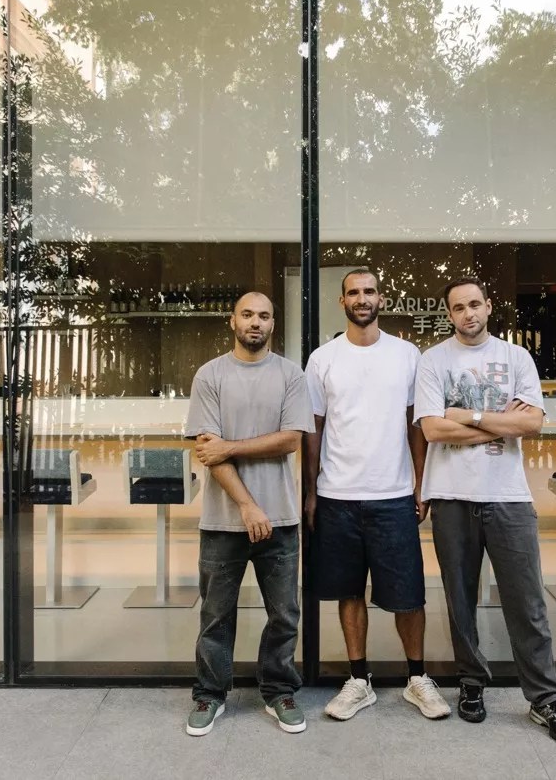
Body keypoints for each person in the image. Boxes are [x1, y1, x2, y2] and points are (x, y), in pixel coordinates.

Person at [412, 277, 556, 746]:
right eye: (458, 307)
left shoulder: (516, 357)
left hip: (508, 497)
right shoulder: (433, 360)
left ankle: (544, 697)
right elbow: (433, 430)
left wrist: (469, 416)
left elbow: (532, 423)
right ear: (449, 314)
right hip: (451, 496)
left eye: (474, 304)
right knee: (460, 600)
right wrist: (502, 425)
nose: (468, 313)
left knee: (526, 603)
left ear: (488, 307)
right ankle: (471, 682)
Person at [303, 269, 450, 721]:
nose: (362, 299)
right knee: (349, 592)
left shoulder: (407, 355)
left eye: (369, 292)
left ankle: (417, 678)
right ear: (342, 301)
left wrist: (421, 483)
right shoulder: (322, 359)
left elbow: (416, 425)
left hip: (394, 494)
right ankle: (358, 680)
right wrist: (310, 492)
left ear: (381, 299)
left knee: (409, 594)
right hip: (337, 495)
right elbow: (313, 430)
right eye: (353, 292)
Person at [183, 291, 315, 737]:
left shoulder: (290, 375)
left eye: (263, 316)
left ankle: (278, 691)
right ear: (232, 321)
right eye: (247, 314)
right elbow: (209, 451)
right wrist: (246, 504)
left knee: (284, 615)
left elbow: (290, 440)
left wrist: (231, 446)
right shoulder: (210, 375)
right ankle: (210, 693)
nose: (255, 322)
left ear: (273, 324)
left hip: (281, 519)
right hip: (223, 522)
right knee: (216, 616)